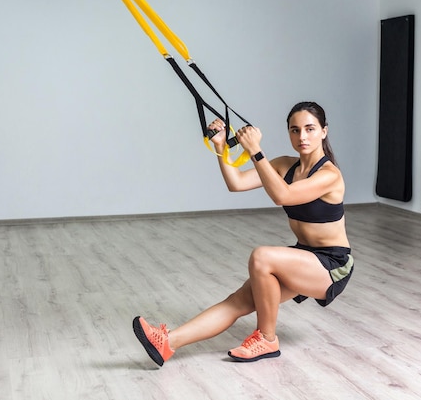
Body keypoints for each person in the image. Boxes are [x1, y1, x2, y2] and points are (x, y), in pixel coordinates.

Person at [133, 101, 354, 366]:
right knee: (237, 301)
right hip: (303, 256)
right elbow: (236, 183)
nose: (302, 137)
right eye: (295, 130)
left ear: (324, 131)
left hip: (332, 264)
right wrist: (220, 148)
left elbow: (283, 195)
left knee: (262, 257)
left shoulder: (330, 175)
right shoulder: (286, 165)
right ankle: (168, 343)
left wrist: (256, 151)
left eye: (310, 129)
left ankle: (267, 339)